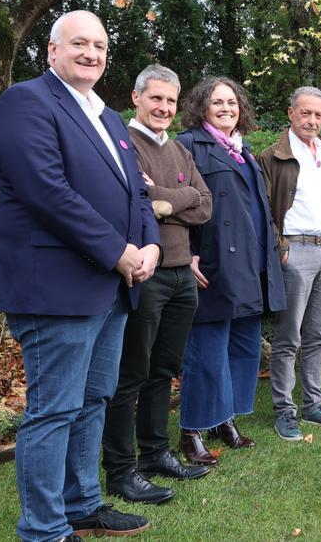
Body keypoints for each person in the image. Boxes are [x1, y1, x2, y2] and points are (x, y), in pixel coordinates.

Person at [0, 10, 159, 540]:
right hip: (54, 286)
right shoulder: (26, 102)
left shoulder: (107, 117)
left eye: (100, 46)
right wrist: (119, 252)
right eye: (80, 43)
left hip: (111, 287)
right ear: (51, 51)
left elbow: (136, 192)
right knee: (54, 410)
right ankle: (44, 528)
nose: (92, 54)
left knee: (94, 400)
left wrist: (147, 243)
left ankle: (82, 504)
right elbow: (46, 192)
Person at [101, 65, 213, 506]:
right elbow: (135, 200)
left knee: (163, 370)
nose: (164, 108)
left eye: (170, 101)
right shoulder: (125, 143)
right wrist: (170, 199)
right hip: (145, 274)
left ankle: (155, 454)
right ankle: (121, 470)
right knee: (132, 373)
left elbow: (204, 205)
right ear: (136, 97)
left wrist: (167, 200)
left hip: (183, 272)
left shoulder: (179, 150)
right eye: (156, 99)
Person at [174, 76, 288, 463]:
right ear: (201, 107)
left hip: (252, 264)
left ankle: (226, 419)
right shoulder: (189, 145)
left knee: (242, 347)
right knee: (207, 349)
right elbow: (177, 205)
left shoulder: (244, 150)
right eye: (217, 102)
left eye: (232, 102)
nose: (226, 108)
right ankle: (192, 430)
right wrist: (187, 252)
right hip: (214, 262)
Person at [258, 86, 321, 440]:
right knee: (288, 337)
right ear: (290, 112)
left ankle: (314, 404)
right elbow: (265, 211)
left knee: (320, 334)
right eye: (305, 113)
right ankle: (286, 411)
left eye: (318, 114)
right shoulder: (273, 157)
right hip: (295, 252)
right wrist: (280, 246)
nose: (312, 120)